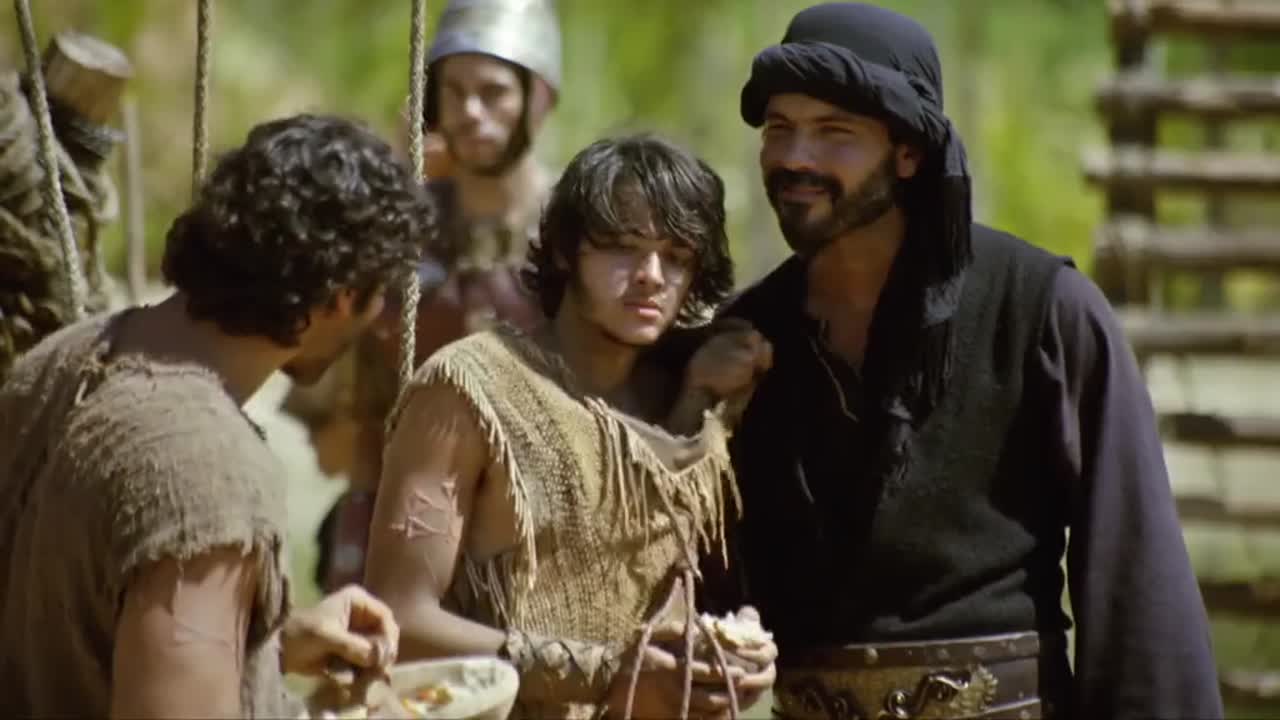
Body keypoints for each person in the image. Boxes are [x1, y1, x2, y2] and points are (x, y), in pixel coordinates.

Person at [694, 4, 1225, 719]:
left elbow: (1139, 590)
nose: (796, 157)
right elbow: (695, 588)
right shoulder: (745, 341)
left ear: (908, 152)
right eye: (779, 129)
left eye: (834, 132)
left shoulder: (1042, 311)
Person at [0, 114, 429, 717]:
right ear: (342, 298)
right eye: (380, 292)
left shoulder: (59, 360)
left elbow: (82, 633)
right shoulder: (206, 474)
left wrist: (264, 647)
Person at [364, 134, 777, 720]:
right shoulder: (469, 389)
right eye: (623, 249)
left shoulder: (691, 404)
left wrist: (733, 653)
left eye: (677, 257)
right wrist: (607, 675)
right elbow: (397, 622)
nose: (651, 276)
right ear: (564, 252)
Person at [300, 0, 562, 593]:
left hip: (533, 533)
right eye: (454, 92)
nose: (470, 112)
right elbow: (354, 418)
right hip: (402, 518)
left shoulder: (575, 229)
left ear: (538, 98)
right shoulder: (403, 227)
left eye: (493, 92)